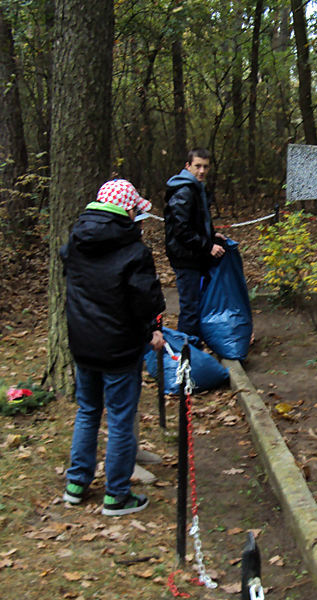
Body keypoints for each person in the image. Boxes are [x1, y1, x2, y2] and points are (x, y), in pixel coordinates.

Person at [60, 179, 166, 516]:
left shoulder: (75, 243)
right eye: (136, 209)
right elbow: (146, 301)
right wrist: (151, 328)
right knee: (120, 418)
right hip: (119, 348)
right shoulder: (134, 252)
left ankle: (76, 485)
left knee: (88, 411)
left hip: (83, 343)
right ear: (127, 210)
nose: (139, 215)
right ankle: (116, 495)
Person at [164, 148, 226, 342]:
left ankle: (195, 347)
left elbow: (195, 221)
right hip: (185, 257)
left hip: (193, 254)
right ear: (188, 166)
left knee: (197, 304)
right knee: (190, 308)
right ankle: (186, 355)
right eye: (197, 166)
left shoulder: (197, 188)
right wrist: (208, 246)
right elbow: (181, 229)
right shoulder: (184, 190)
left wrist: (210, 234)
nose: (201, 171)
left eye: (205, 167)